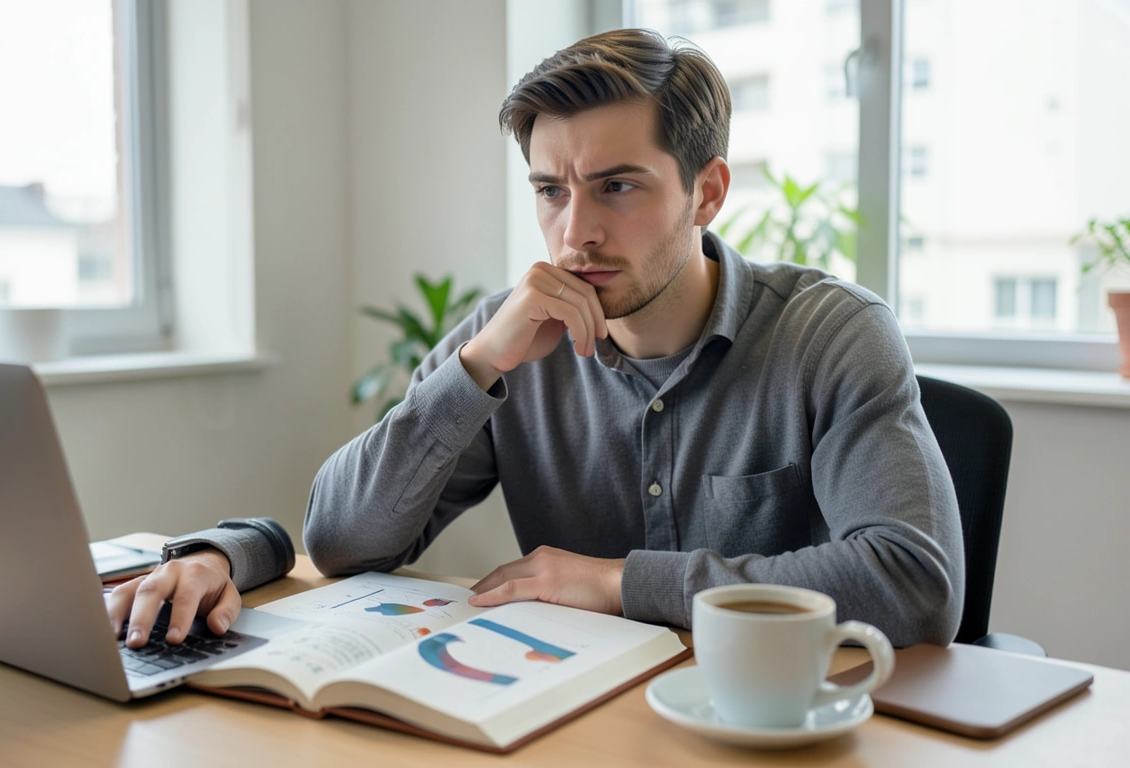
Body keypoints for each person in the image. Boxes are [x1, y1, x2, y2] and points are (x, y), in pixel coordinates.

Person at [112, 28, 964, 649]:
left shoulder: (833, 333)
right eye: (551, 191)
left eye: (617, 187)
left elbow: (913, 585)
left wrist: (616, 581)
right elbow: (340, 541)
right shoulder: (512, 333)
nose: (574, 234)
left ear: (707, 193)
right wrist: (476, 367)